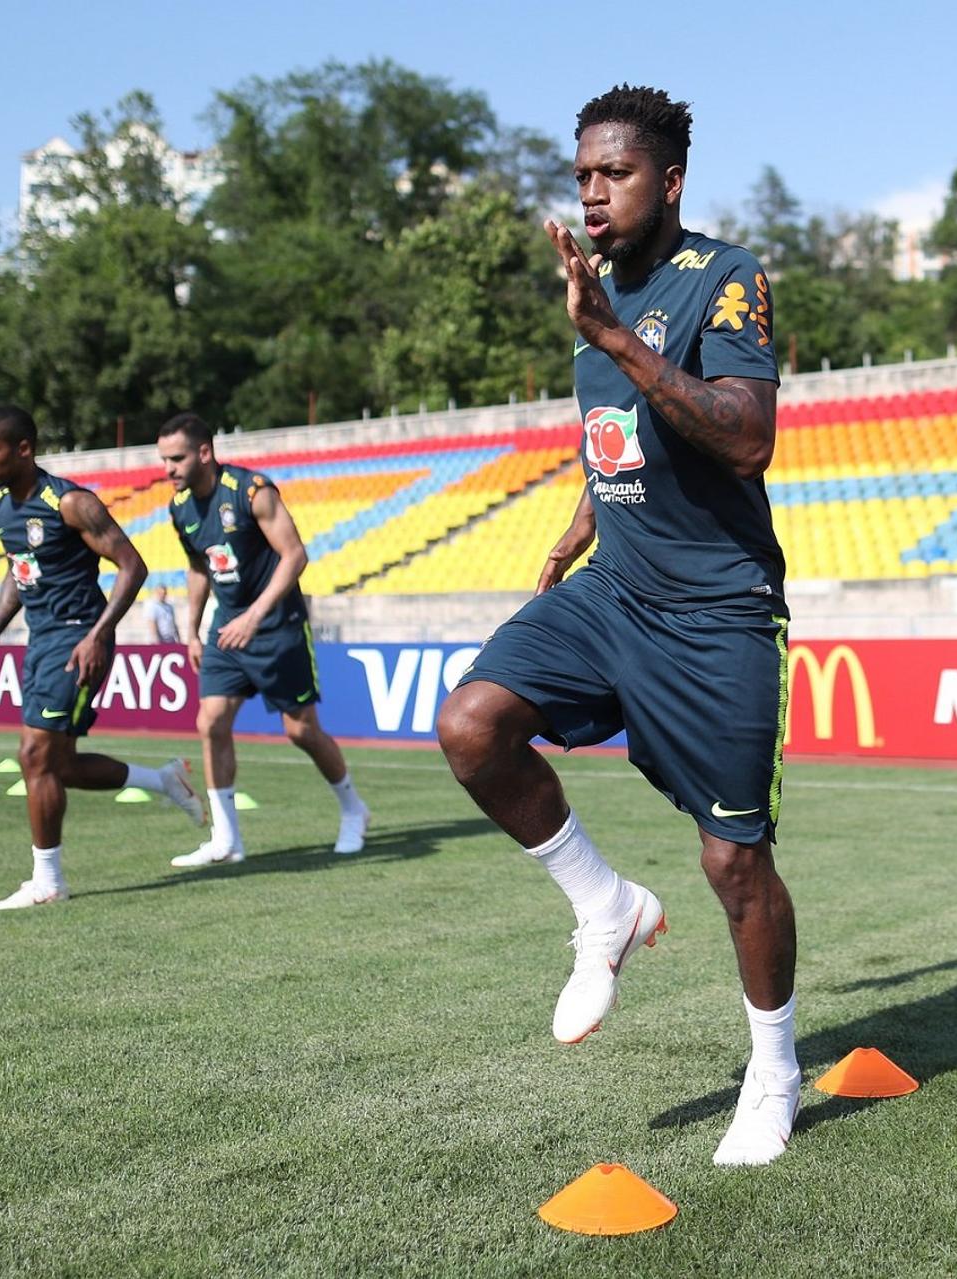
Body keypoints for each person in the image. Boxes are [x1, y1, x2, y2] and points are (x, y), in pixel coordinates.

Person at [436, 86, 800, 1167]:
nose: (594, 193)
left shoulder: (725, 279)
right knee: (470, 725)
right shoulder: (593, 294)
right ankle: (605, 906)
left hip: (717, 612)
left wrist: (613, 337)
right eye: (584, 175)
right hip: (612, 589)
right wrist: (575, 524)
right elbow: (625, 439)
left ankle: (774, 1072)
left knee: (735, 865)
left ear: (671, 180)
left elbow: (743, 441)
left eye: (617, 174)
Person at [0, 406, 205, 909]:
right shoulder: (1, 503)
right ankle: (162, 780)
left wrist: (99, 635)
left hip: (77, 641)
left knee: (34, 757)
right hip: (41, 640)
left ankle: (48, 881)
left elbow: (133, 567)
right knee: (59, 764)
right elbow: (20, 569)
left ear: (23, 449)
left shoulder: (70, 503)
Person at [155, 411, 369, 865]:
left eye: (176, 458)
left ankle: (354, 810)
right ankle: (227, 839)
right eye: (164, 460)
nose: (168, 468)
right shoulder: (178, 508)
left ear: (204, 453)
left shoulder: (252, 491)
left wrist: (254, 616)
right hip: (225, 627)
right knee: (210, 722)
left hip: (276, 625)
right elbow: (198, 568)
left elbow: (295, 556)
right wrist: (191, 630)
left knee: (301, 731)